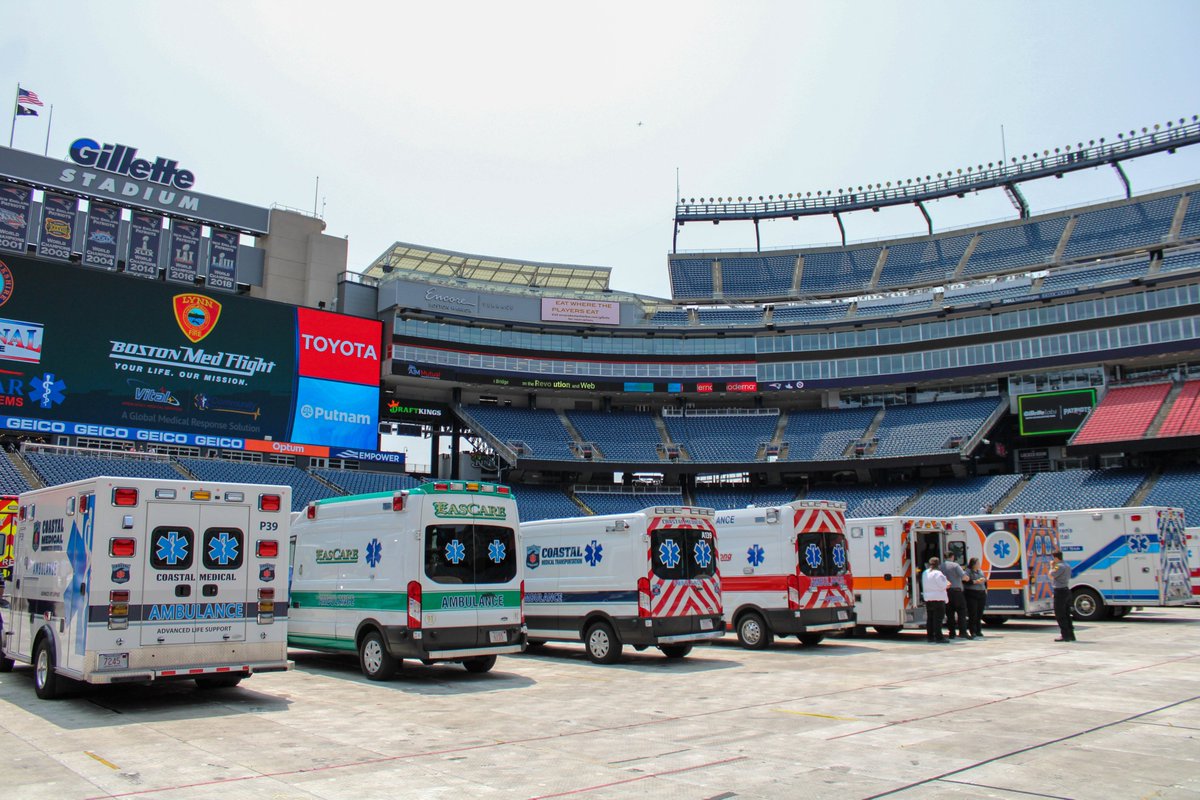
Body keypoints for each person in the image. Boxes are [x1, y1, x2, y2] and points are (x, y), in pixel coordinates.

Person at [940, 552, 971, 639]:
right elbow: (965, 577)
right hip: (957, 592)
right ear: (952, 557)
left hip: (946, 592)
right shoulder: (955, 565)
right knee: (961, 612)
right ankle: (963, 632)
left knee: (949, 613)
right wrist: (968, 578)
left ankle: (952, 633)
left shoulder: (941, 566)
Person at [1049, 550, 1076, 642]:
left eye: (1054, 558)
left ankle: (1064, 635)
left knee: (1060, 615)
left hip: (1060, 591)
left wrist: (1051, 566)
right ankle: (1071, 635)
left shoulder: (1058, 566)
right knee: (1067, 614)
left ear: (1056, 558)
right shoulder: (1067, 565)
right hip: (1066, 590)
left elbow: (1051, 574)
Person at [921, 557, 950, 643]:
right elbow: (943, 585)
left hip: (928, 598)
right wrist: (947, 584)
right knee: (938, 619)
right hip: (938, 598)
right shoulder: (938, 573)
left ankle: (930, 636)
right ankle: (939, 637)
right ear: (938, 564)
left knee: (930, 618)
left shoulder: (925, 572)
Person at [963, 556, 987, 638]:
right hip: (972, 594)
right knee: (973, 613)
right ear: (973, 564)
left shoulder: (980, 571)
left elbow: (985, 580)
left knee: (980, 613)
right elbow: (965, 581)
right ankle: (972, 631)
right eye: (977, 563)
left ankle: (978, 630)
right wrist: (975, 582)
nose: (979, 565)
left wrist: (985, 587)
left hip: (981, 593)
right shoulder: (968, 571)